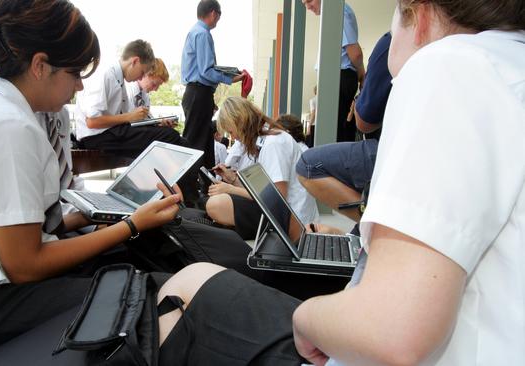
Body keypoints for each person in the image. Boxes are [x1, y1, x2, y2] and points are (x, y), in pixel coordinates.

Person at [156, 0, 525, 364]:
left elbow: (393, 331)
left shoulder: (448, 65)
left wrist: (307, 318)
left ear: (420, 15)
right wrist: (359, 242)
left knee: (183, 286)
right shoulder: (506, 65)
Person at [0, 1, 182, 364]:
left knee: (120, 267)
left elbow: (10, 230)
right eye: (76, 72)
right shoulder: (5, 126)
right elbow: (25, 264)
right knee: (146, 296)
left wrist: (91, 216)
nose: (80, 86)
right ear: (39, 66)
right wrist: (131, 224)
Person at [296, 32, 393, 222]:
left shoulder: (392, 42)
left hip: (390, 152)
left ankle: (372, 224)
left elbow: (364, 121)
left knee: (307, 164)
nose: (307, 4)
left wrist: (362, 86)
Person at [205, 97, 319, 240]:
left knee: (216, 204)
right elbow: (262, 191)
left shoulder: (274, 143)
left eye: (231, 132)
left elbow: (277, 197)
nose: (233, 137)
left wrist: (230, 189)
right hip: (284, 212)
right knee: (217, 203)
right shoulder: (265, 141)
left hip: (293, 220)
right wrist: (233, 179)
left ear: (240, 123)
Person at [75, 40, 186, 158]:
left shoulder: (118, 78)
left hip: (109, 133)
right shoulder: (104, 74)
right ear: (135, 61)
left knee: (180, 141)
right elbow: (92, 122)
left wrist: (154, 124)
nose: (141, 77)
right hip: (96, 137)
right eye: (142, 72)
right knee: (169, 136)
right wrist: (130, 116)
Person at [181, 0, 245, 169]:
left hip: (198, 92)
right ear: (213, 13)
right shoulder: (202, 34)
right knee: (196, 144)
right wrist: (231, 78)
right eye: (219, 15)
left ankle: (205, 185)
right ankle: (189, 190)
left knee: (204, 141)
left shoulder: (196, 32)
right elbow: (206, 71)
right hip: (198, 92)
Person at [302, 0, 365, 142]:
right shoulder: (337, 14)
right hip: (339, 77)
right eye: (304, 3)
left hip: (339, 78)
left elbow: (355, 54)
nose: (308, 7)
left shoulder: (339, 12)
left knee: (336, 135)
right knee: (337, 132)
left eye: (309, 1)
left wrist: (361, 72)